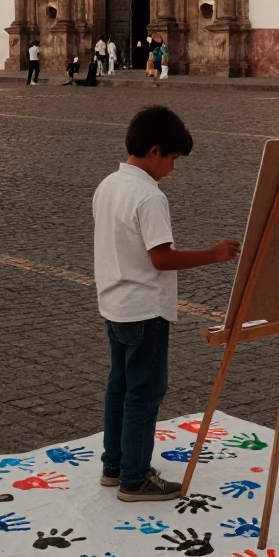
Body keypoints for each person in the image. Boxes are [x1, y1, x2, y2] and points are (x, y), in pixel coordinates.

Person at [93, 106, 240, 502]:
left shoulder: (108, 185)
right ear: (155, 151)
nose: (173, 169)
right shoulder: (148, 196)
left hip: (115, 304)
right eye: (173, 159)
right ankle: (134, 478)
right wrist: (213, 254)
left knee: (119, 386)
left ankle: (115, 464)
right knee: (145, 392)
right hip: (145, 308)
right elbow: (161, 258)